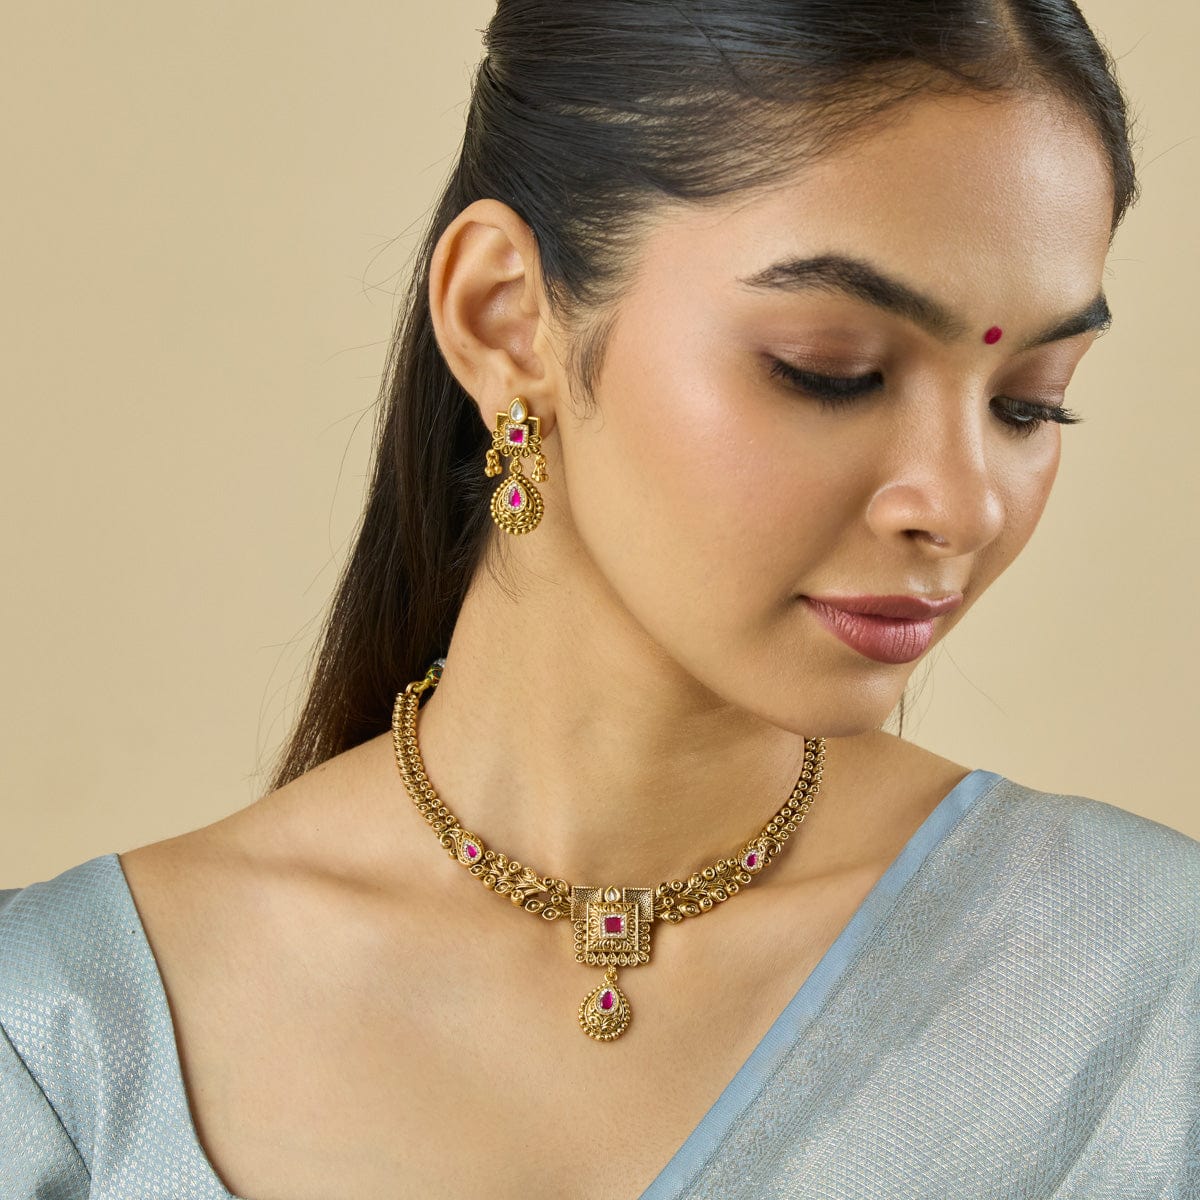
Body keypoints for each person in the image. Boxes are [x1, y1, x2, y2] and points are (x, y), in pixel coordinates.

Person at [2, 2, 1197, 1197]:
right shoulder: (64, 1041)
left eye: (1030, 400)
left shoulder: (1143, 988)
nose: (964, 504)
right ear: (506, 321)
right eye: (832, 372)